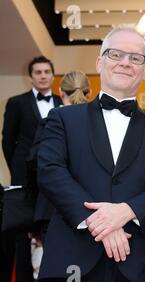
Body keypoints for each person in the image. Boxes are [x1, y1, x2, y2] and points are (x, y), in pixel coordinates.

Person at [36, 26, 145, 282]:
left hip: (140, 268)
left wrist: (127, 211)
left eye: (135, 57)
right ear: (99, 62)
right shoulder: (63, 118)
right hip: (72, 264)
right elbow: (49, 170)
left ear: (144, 69)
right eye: (115, 54)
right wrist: (100, 221)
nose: (125, 62)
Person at [2, 55, 62, 282]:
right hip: (24, 177)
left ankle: (52, 277)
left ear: (53, 75)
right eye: (38, 72)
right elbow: (7, 141)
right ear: (30, 77)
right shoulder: (16, 102)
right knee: (21, 228)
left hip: (54, 176)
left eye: (47, 71)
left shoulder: (62, 102)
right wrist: (18, 170)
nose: (43, 76)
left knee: (51, 223)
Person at [27, 71, 92, 245]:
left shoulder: (50, 121)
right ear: (90, 92)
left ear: (61, 92)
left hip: (52, 209)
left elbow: (34, 163)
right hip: (94, 211)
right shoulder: (102, 124)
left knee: (58, 271)